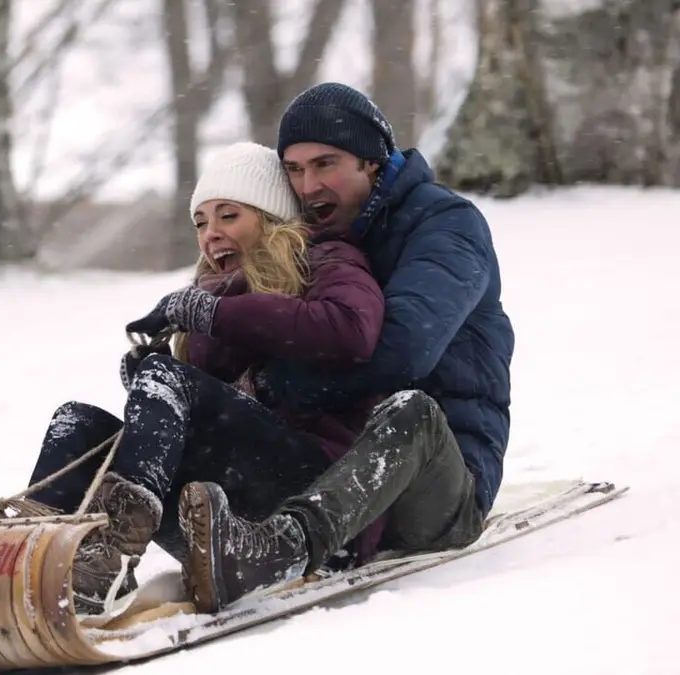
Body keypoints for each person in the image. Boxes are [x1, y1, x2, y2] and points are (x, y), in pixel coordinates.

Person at [177, 82, 516, 614]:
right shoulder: (320, 242)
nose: (308, 185)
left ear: (373, 164)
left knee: (413, 412)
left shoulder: (446, 225)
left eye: (325, 163)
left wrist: (269, 385)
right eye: (293, 168)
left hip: (439, 489)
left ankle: (283, 550)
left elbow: (402, 355)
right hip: (339, 475)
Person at [20, 141, 387, 615]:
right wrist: (151, 381)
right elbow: (214, 414)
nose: (211, 234)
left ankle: (113, 548)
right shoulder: (209, 294)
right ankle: (33, 555)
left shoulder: (326, 261)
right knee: (77, 423)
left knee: (165, 379)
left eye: (228, 216)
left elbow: (350, 329)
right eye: (201, 222)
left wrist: (206, 327)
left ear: (271, 216)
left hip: (315, 501)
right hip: (219, 513)